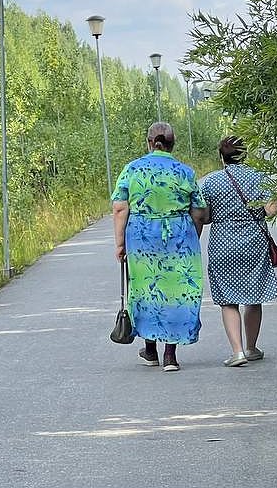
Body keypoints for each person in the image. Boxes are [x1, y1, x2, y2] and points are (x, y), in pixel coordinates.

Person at [112, 122, 207, 372]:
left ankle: (150, 349)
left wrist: (120, 243)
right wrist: (192, 236)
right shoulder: (184, 172)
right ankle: (170, 355)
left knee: (146, 288)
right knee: (175, 289)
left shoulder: (132, 169)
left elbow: (120, 207)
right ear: (173, 144)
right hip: (179, 234)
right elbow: (199, 211)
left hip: (142, 237)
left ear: (148, 142)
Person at [200, 136, 277, 367]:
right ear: (245, 154)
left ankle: (237, 352)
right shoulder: (260, 178)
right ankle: (251, 347)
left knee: (228, 300)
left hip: (222, 244)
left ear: (221, 157)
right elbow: (272, 210)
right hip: (254, 243)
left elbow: (204, 217)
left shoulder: (211, 182)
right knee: (253, 297)